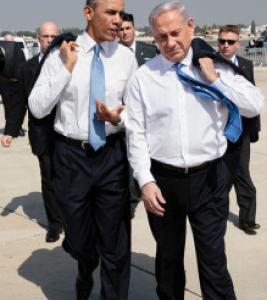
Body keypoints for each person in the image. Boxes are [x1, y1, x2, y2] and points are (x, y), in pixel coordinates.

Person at [125, 2, 264, 300]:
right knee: (169, 260)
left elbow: (254, 104)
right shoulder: (143, 78)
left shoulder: (214, 66)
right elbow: (135, 134)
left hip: (210, 179)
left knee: (213, 261)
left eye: (175, 32)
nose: (170, 42)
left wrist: (215, 79)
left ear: (190, 26)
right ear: (153, 36)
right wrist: (145, 181)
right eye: (161, 37)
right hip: (163, 182)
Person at [29, 0, 137, 299]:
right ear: (89, 13)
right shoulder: (63, 54)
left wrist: (119, 118)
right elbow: (37, 108)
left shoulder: (126, 58)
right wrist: (66, 68)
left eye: (120, 13)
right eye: (110, 13)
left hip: (112, 155)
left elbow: (137, 110)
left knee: (116, 244)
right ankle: (85, 264)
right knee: (78, 240)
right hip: (71, 157)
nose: (118, 20)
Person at [1, 22, 64, 243]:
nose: (49, 40)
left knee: (69, 179)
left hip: (68, 134)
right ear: (38, 39)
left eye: (53, 36)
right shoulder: (27, 68)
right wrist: (10, 130)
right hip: (42, 135)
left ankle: (72, 219)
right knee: (48, 180)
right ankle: (55, 225)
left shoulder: (71, 64)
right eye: (45, 36)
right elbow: (20, 102)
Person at [218, 25, 261, 235]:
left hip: (241, 132)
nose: (225, 45)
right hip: (218, 133)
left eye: (230, 42)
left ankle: (248, 220)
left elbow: (252, 98)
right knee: (220, 179)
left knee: (243, 175)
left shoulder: (246, 65)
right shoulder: (209, 64)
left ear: (238, 44)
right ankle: (216, 217)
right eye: (222, 41)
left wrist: (255, 130)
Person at [117, 12, 158, 218]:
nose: (124, 32)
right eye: (121, 29)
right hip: (124, 114)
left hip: (148, 111)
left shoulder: (149, 51)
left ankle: (148, 185)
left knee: (148, 152)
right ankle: (132, 199)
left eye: (127, 28)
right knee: (128, 155)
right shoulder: (113, 54)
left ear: (134, 29)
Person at [0, 34, 26, 137]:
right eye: (7, 42)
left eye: (11, 42)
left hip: (18, 83)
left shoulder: (20, 51)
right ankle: (11, 128)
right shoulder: (1, 52)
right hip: (5, 84)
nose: (9, 44)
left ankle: (18, 126)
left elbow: (24, 65)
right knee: (8, 107)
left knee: (19, 107)